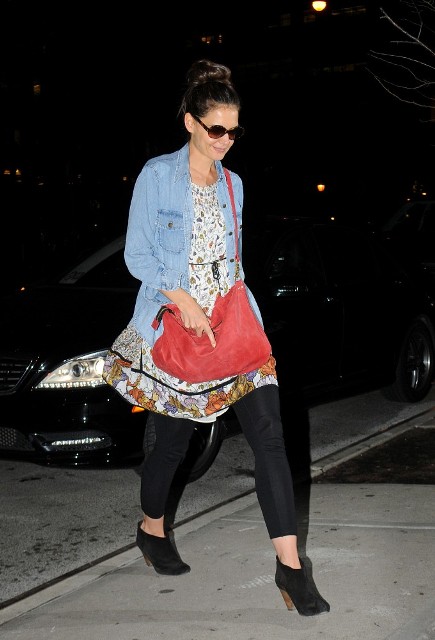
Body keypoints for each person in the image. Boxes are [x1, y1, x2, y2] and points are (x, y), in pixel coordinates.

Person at [121, 59, 330, 616]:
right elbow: (137, 254)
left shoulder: (234, 184)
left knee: (270, 438)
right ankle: (151, 528)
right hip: (177, 325)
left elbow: (231, 262)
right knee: (172, 446)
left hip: (234, 326)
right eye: (217, 129)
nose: (226, 141)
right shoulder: (157, 176)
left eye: (234, 131)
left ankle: (291, 568)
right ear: (190, 122)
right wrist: (183, 299)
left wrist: (224, 308)